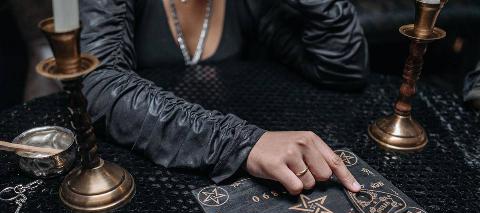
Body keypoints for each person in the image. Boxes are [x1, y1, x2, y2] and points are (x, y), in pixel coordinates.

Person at [80, 0, 368, 195]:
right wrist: (240, 142)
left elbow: (343, 70)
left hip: (238, 183)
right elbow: (99, 84)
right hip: (137, 174)